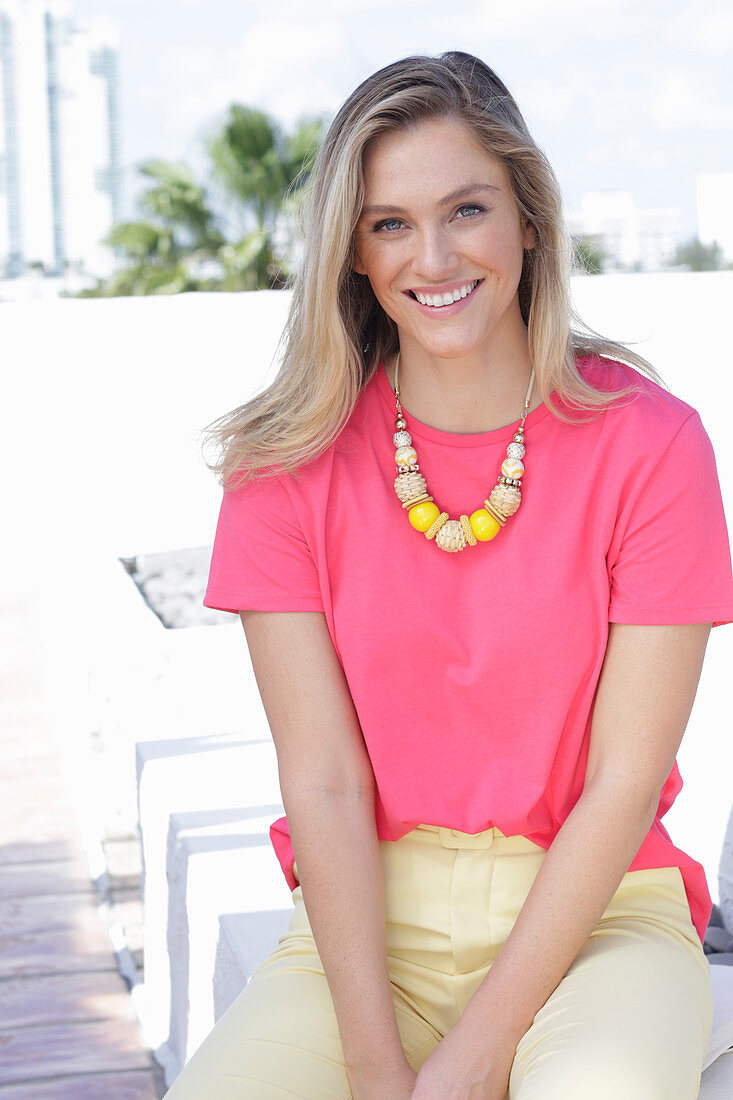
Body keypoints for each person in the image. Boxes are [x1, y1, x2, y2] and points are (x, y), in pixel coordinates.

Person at [166, 51, 733, 1099]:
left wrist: (476, 1051)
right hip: (369, 927)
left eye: (465, 209)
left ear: (527, 219)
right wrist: (378, 1066)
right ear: (353, 252)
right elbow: (326, 781)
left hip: (601, 915)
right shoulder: (281, 469)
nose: (432, 256)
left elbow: (624, 780)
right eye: (388, 223)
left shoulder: (652, 448)